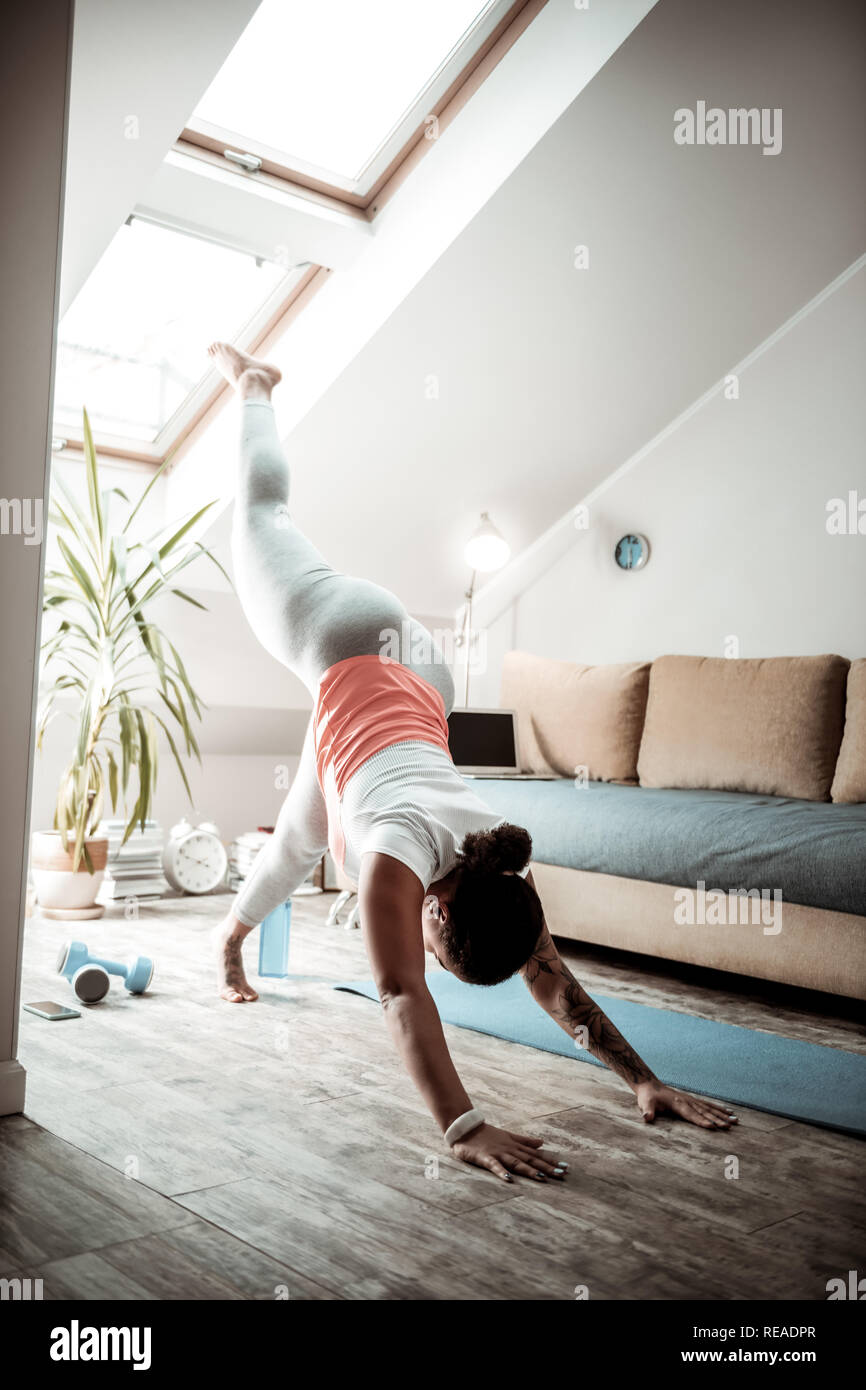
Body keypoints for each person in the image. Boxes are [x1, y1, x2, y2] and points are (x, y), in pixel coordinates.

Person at [208, 341, 737, 1184]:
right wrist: (464, 1128)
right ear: (437, 915)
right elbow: (401, 995)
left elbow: (553, 979)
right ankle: (256, 388)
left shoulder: (502, 864)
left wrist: (645, 1080)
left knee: (296, 844)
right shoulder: (394, 859)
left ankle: (230, 942)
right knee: (258, 518)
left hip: (423, 686)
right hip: (350, 640)